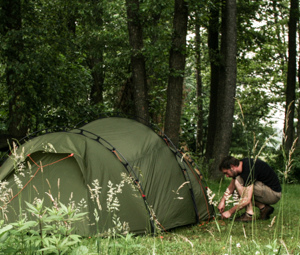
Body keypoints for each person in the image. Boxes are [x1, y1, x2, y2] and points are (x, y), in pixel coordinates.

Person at [217, 156, 282, 222]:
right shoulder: (241, 165)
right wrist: (223, 201)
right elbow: (231, 186)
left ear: (232, 166)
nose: (226, 176)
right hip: (265, 190)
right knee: (238, 188)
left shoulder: (249, 169)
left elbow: (246, 200)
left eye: (226, 173)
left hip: (273, 194)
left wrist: (230, 212)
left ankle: (249, 214)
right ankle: (264, 208)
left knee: (239, 184)